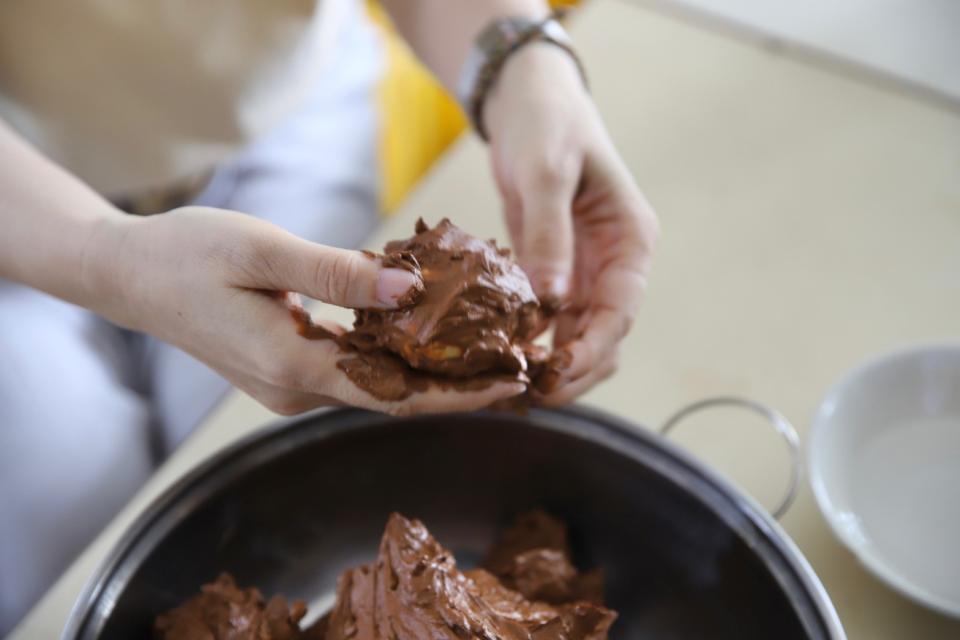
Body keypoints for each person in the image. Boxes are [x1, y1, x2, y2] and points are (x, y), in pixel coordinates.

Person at [0, 0, 658, 632]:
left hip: (286, 119)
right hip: (22, 207)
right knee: (69, 517)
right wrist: (103, 258)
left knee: (249, 432)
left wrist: (519, 60)